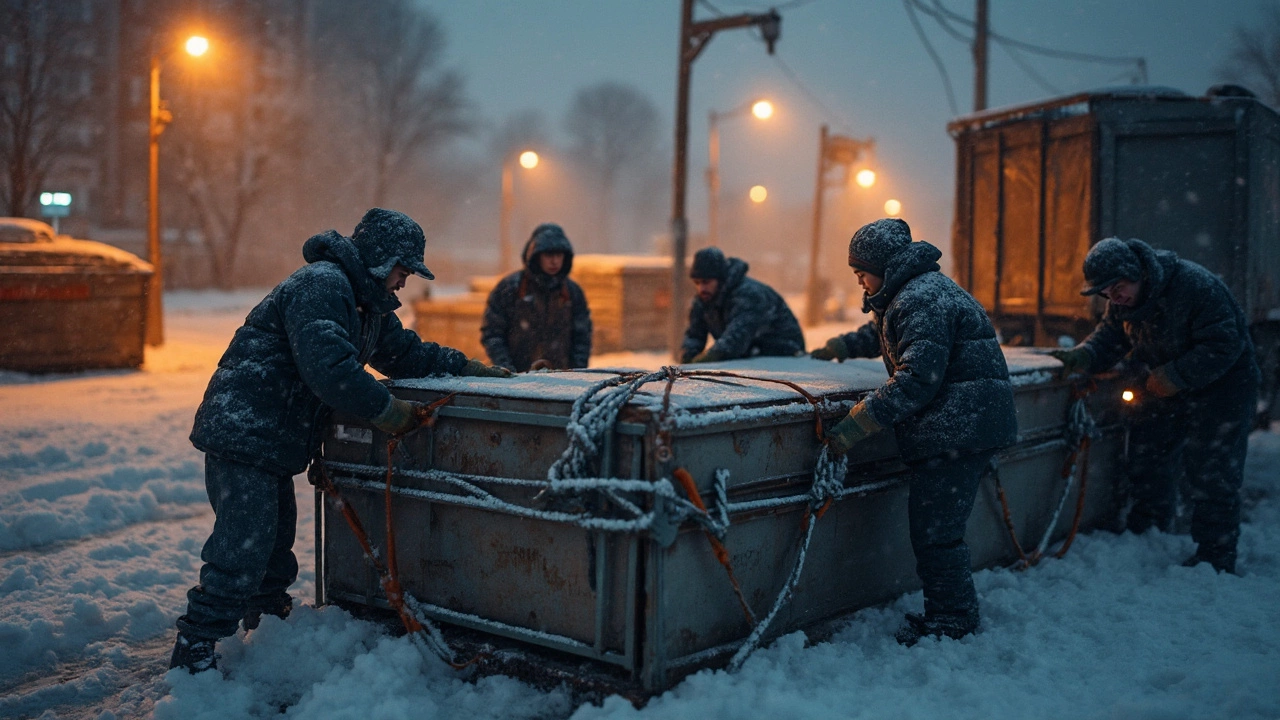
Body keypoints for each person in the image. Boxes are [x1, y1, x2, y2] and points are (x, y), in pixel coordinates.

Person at [170, 208, 511, 674]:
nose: (404, 282)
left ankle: (268, 633)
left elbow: (406, 354)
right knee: (243, 548)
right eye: (402, 270)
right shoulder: (323, 286)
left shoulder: (365, 305)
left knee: (272, 548)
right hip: (244, 427)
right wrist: (388, 412)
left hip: (271, 438)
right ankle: (194, 652)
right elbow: (329, 369)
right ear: (379, 259)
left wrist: (469, 369)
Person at [810, 218, 1017, 646]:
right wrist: (842, 348)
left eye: (860, 273)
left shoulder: (919, 299)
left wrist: (859, 423)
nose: (860, 283)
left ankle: (952, 619)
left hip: (958, 429)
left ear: (884, 267)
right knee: (938, 529)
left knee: (936, 532)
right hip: (968, 424)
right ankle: (951, 612)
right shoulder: (918, 292)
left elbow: (919, 376)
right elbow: (887, 333)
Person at [1049, 237, 1258, 574]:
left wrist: (1175, 375)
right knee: (1149, 451)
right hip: (1167, 382)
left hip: (1224, 386)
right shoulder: (1123, 301)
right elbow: (1110, 335)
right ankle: (1148, 528)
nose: (1113, 297)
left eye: (1117, 287)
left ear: (1138, 273)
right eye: (1105, 292)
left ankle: (1216, 555)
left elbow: (1224, 344)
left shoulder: (1195, 286)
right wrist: (1085, 354)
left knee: (1212, 469)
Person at [480, 223, 592, 372]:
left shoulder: (572, 293)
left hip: (561, 382)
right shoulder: (510, 288)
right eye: (548, 255)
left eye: (559, 255)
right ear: (536, 256)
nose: (555, 261)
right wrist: (507, 370)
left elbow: (582, 338)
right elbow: (493, 334)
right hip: (516, 379)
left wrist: (576, 373)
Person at [679, 246, 805, 363]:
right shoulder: (704, 300)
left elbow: (735, 340)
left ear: (720, 278)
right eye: (696, 282)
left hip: (784, 355)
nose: (701, 288)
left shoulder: (750, 295)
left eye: (706, 282)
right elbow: (694, 336)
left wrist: (703, 361)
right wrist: (687, 360)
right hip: (751, 356)